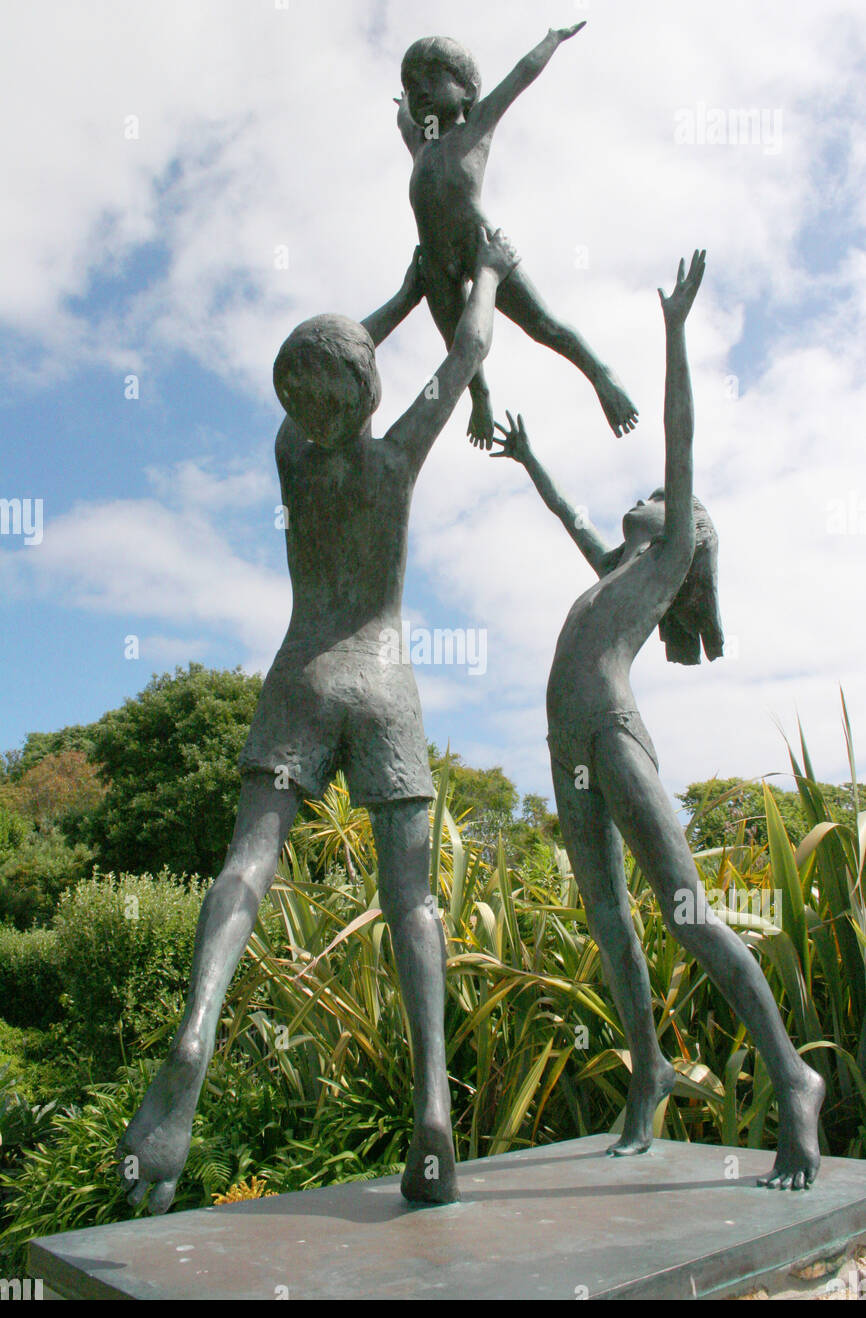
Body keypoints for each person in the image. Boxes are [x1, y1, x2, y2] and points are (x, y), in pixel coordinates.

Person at [116, 226, 521, 1214]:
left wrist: (381, 301)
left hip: (299, 671)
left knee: (245, 866)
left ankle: (195, 1033)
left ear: (299, 395)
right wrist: (489, 274)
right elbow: (466, 352)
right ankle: (432, 1102)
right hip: (381, 683)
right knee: (412, 903)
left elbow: (326, 370)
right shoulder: (392, 459)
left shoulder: (291, 452)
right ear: (368, 392)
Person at [491, 250, 825, 1189]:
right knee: (608, 921)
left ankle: (793, 1078)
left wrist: (673, 332)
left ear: (684, 527)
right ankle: (650, 1075)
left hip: (609, 729)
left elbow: (679, 438)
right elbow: (569, 521)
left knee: (686, 914)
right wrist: (530, 463)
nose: (639, 496)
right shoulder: (616, 572)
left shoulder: (673, 548)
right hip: (566, 743)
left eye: (653, 495)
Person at [394, 25, 639, 449]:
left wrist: (552, 39)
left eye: (432, 80)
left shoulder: (475, 129)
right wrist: (403, 105)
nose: (421, 93)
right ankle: (481, 396)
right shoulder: (421, 145)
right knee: (457, 346)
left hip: (480, 246)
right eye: (412, 87)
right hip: (434, 262)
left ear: (468, 92)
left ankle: (602, 375)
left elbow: (521, 75)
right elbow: (404, 118)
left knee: (543, 324)